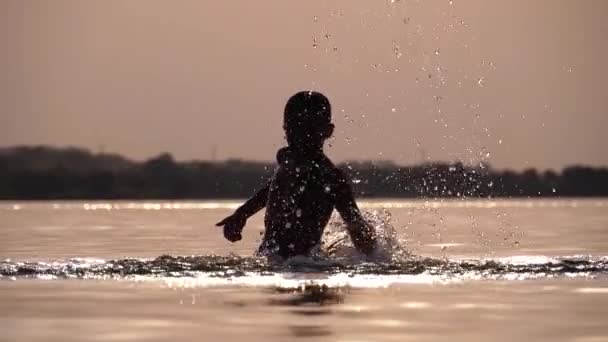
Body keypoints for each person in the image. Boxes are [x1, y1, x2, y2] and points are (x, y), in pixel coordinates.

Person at [216, 91, 376, 258]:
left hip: (305, 270)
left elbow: (356, 228)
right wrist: (242, 214)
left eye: (309, 129)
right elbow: (271, 190)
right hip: (278, 267)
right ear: (285, 129)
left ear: (328, 131)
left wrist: (373, 254)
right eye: (294, 128)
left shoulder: (332, 178)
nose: (301, 136)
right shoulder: (289, 168)